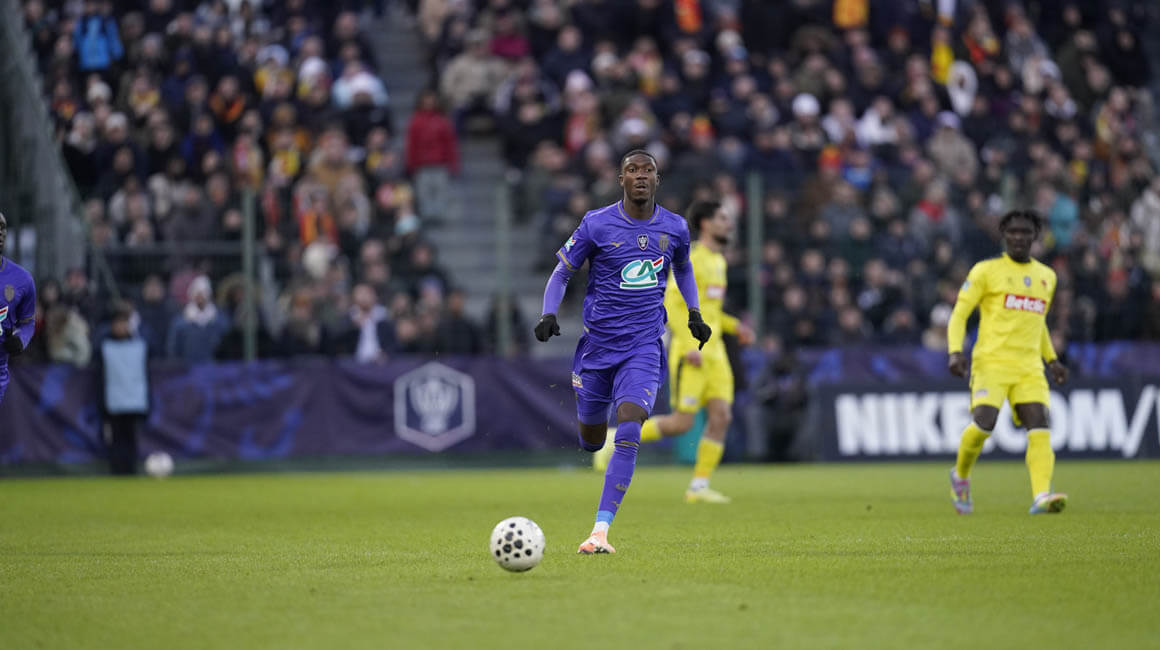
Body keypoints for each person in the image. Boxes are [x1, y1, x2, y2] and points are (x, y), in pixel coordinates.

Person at [535, 150, 711, 554]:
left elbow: (683, 267)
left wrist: (694, 311)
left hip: (644, 346)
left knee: (630, 426)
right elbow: (562, 271)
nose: (641, 176)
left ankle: (600, 531)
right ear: (621, 180)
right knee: (592, 440)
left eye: (648, 170)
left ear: (657, 179)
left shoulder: (675, 227)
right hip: (597, 348)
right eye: (633, 170)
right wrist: (548, 312)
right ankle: (597, 436)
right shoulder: (596, 223)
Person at [593, 200, 754, 503]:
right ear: (706, 223)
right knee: (682, 423)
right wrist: (690, 344)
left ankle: (699, 487)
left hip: (716, 355)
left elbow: (710, 313)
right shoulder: (692, 259)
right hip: (691, 354)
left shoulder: (719, 262)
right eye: (722, 218)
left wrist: (735, 327)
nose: (729, 224)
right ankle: (615, 439)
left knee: (722, 416)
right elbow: (672, 305)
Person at [946, 209, 1070, 515]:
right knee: (983, 424)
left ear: (1035, 236)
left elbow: (1037, 322)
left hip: (1029, 367)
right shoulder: (985, 271)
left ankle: (1041, 495)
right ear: (1003, 235)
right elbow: (959, 314)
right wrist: (955, 352)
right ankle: (960, 475)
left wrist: (1051, 359)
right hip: (992, 362)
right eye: (1013, 232)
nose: (1019, 237)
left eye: (1025, 232)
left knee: (1039, 423)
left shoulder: (1047, 277)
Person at [95, 303, 149, 475]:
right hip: (113, 401)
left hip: (133, 400)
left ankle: (131, 470)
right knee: (116, 439)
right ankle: (117, 471)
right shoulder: (104, 346)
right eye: (118, 323)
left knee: (131, 438)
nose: (121, 327)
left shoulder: (139, 345)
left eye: (125, 323)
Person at [0, 211, 37, 406]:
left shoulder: (22, 279)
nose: (0, 233)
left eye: (3, 228)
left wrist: (21, 340)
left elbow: (28, 321)